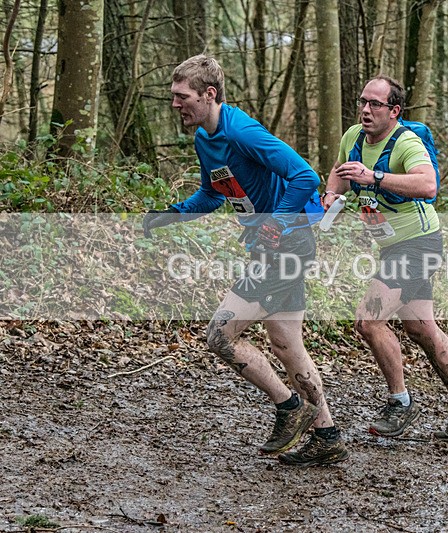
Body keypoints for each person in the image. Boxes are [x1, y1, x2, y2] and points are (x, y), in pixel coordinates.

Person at [142, 55, 348, 466]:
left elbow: (304, 176)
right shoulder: (206, 139)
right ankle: (327, 436)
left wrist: (275, 223)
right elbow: (214, 193)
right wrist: (173, 213)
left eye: (182, 97)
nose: (175, 104)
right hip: (272, 248)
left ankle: (290, 408)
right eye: (173, 97)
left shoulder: (243, 134)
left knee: (220, 335)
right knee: (288, 346)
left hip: (286, 248)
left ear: (209, 94)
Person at [321, 75, 448, 441]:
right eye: (362, 102)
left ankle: (401, 403)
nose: (365, 110)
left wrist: (375, 176)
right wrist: (331, 194)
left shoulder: (406, 144)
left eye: (375, 104)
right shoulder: (353, 136)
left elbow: (428, 184)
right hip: (394, 244)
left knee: (369, 320)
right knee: (419, 327)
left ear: (394, 111)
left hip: (419, 244)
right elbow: (340, 169)